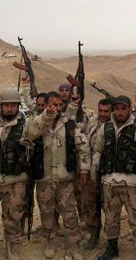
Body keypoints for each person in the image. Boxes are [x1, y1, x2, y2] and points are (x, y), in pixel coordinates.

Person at [0, 89, 56, 260]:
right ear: (1, 106)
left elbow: (40, 124)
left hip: (16, 182)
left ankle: (12, 247)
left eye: (13, 105)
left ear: (18, 106)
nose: (9, 108)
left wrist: (48, 113)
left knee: (13, 217)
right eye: (6, 105)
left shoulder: (26, 125)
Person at [93, 95, 136, 260]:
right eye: (117, 109)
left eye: (123, 108)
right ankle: (112, 248)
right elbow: (98, 150)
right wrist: (96, 172)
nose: (120, 112)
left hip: (131, 183)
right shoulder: (106, 127)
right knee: (111, 217)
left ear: (129, 109)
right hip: (109, 182)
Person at [35, 91, 90, 260]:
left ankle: (75, 245)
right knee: (47, 212)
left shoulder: (69, 125)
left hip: (64, 178)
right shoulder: (37, 123)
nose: (57, 108)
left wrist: (85, 170)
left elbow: (84, 148)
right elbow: (28, 135)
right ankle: (50, 241)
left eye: (60, 105)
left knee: (70, 213)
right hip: (44, 178)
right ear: (45, 105)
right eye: (53, 105)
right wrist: (46, 117)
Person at [82, 98, 112, 250]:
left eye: (106, 111)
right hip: (92, 171)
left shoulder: (115, 125)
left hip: (109, 173)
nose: (103, 114)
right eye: (100, 110)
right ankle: (93, 235)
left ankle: (111, 239)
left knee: (110, 207)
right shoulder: (91, 122)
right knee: (90, 205)